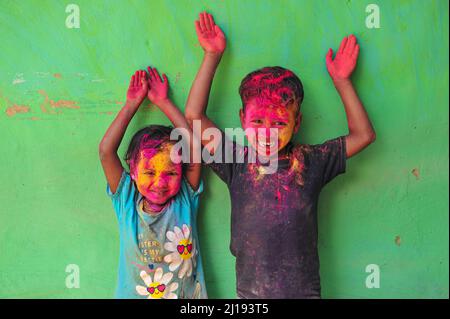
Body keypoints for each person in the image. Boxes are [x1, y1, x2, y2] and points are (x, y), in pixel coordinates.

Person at [184, 12, 376, 298]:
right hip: (251, 296)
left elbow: (363, 135)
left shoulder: (312, 162)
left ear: (297, 124)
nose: (267, 132)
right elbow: (194, 116)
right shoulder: (236, 161)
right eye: (257, 122)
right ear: (242, 119)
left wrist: (342, 82)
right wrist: (212, 55)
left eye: (279, 123)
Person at [99, 67, 206, 299]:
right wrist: (130, 105)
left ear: (182, 171)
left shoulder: (185, 198)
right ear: (133, 171)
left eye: (170, 173)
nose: (159, 182)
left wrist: (164, 102)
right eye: (149, 171)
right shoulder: (127, 198)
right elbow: (106, 151)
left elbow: (195, 149)